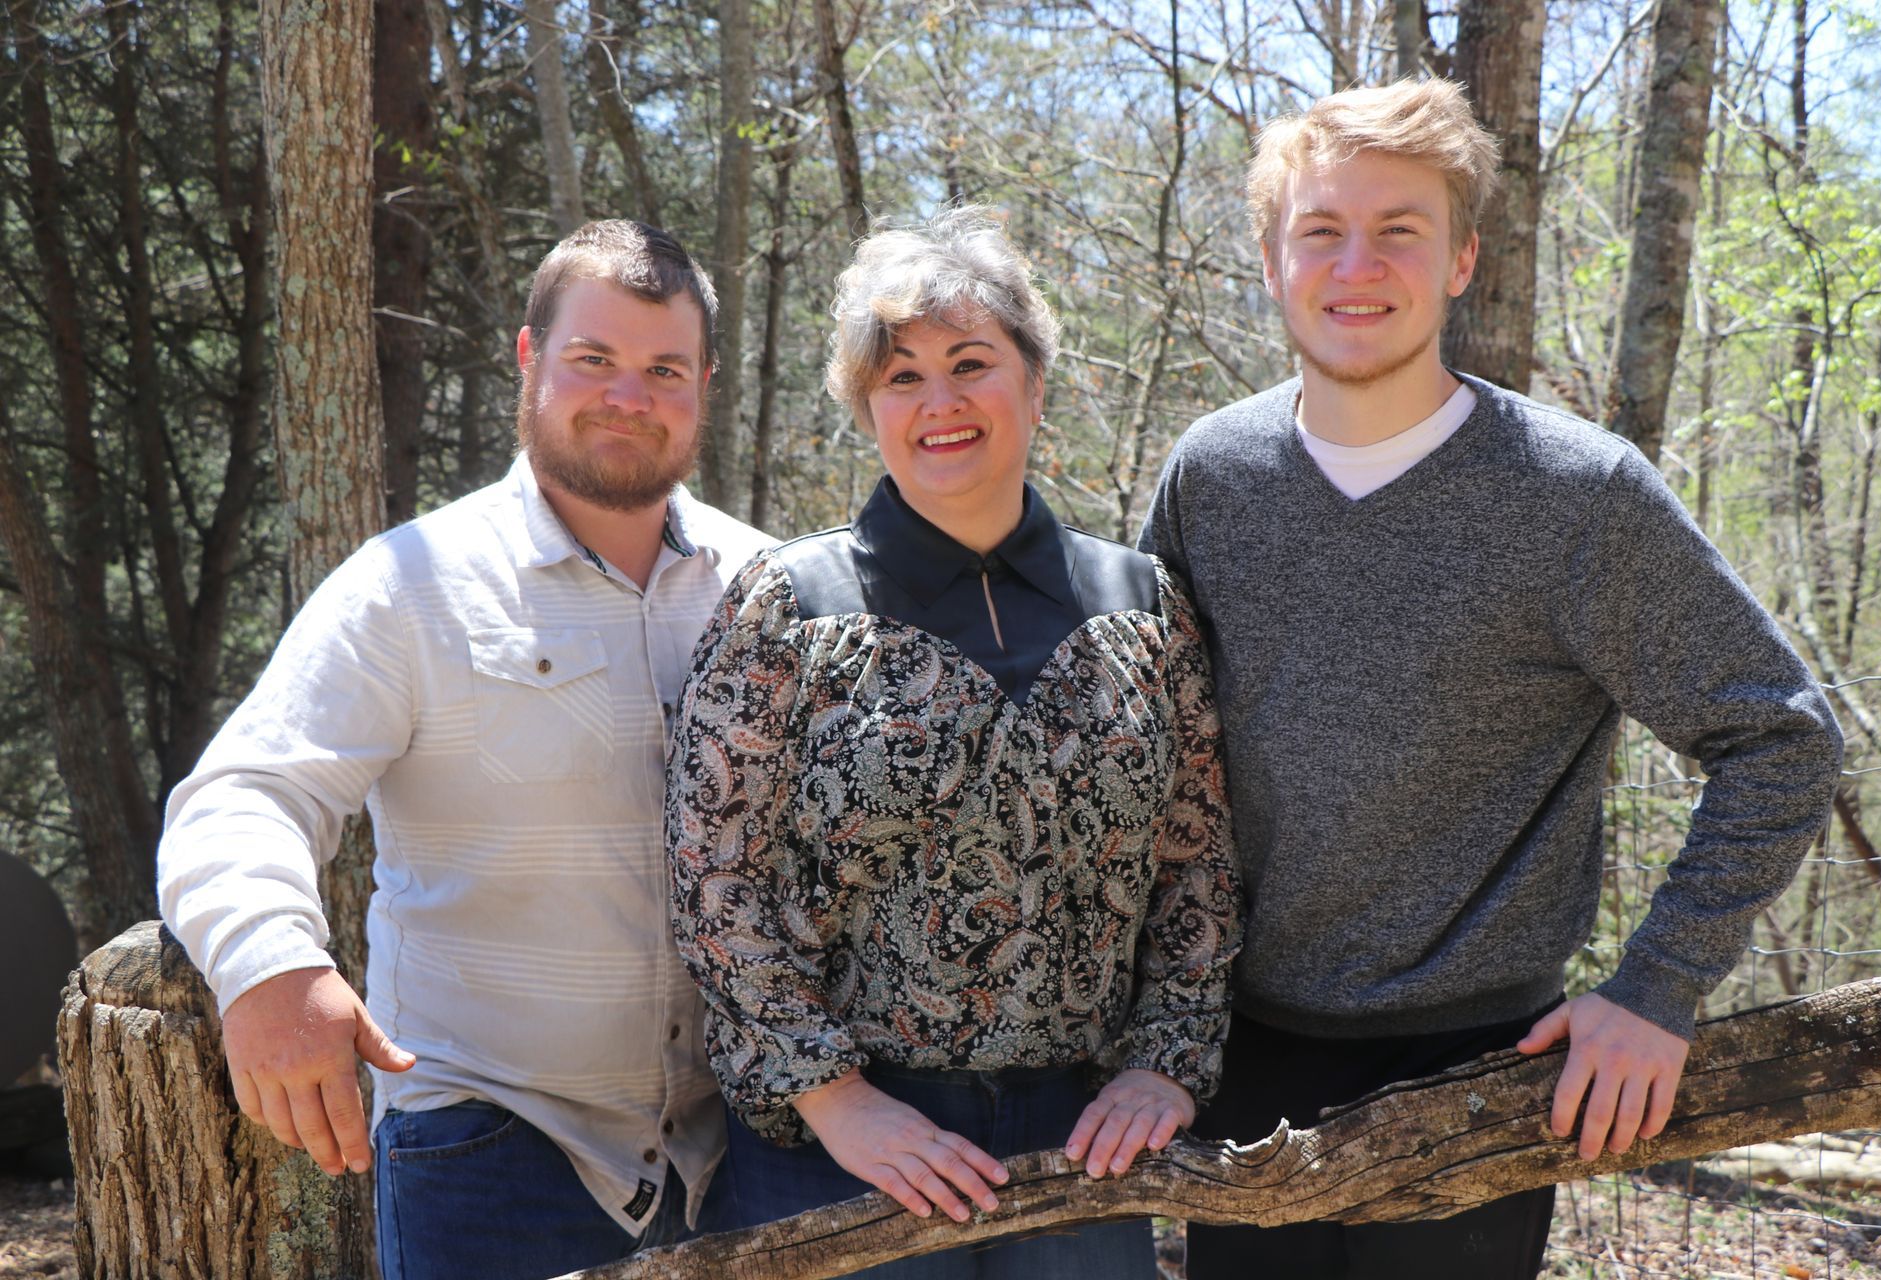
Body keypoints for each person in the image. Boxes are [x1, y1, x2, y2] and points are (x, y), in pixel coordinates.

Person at [1141, 79, 1844, 1279]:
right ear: (1271, 259)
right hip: (1245, 1059)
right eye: (1321, 229)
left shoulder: (1578, 497)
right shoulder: (1213, 475)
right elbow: (1155, 760)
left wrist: (1657, 984)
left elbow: (1781, 738)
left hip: (1487, 1072)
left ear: (1462, 260)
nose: (1356, 263)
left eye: (1400, 230)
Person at [157, 221, 770, 1280]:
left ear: (704, 384)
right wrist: (270, 962)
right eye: (594, 359)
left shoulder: (766, 584)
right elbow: (246, 791)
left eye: (664, 369)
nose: (629, 394)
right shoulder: (411, 581)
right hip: (491, 1148)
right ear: (530, 359)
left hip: (742, 1157)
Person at [665, 205, 1242, 1278]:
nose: (941, 402)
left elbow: (1197, 857)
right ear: (866, 407)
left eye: (971, 362)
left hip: (1082, 1145)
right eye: (902, 377)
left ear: (1032, 378)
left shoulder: (1142, 602)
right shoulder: (790, 605)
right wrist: (834, 1098)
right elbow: (713, 875)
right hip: (843, 1147)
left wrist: (1171, 1060)